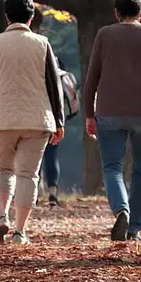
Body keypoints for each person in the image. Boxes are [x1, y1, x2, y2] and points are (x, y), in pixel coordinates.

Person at [0, 0, 65, 244]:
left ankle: (1, 216)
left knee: (3, 168)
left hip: (0, 118)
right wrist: (59, 120)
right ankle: (20, 231)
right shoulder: (43, 44)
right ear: (31, 17)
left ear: (7, 16)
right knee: (28, 174)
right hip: (36, 118)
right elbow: (54, 85)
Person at [82, 0, 141, 241]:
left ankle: (120, 208)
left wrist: (89, 113)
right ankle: (134, 227)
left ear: (116, 13)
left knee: (112, 167)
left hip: (109, 111)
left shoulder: (104, 34)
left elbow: (92, 78)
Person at [43, 54, 79, 207]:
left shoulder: (36, 75)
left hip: (36, 119)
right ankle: (52, 192)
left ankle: (32, 194)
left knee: (33, 157)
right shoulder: (63, 76)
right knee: (51, 155)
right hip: (56, 121)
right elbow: (73, 103)